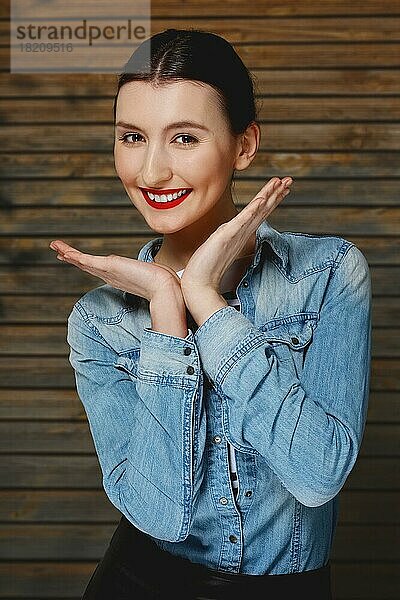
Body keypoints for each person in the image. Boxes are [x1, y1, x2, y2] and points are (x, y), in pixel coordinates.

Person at [49, 28, 372, 600]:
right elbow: (160, 516)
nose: (149, 173)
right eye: (131, 137)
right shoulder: (99, 322)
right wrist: (168, 316)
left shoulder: (327, 274)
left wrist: (206, 301)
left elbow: (318, 475)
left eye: (184, 139)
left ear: (244, 146)